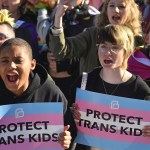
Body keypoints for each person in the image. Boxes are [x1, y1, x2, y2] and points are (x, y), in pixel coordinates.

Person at [71, 24, 150, 150]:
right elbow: (67, 123)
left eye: (115, 48)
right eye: (103, 47)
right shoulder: (85, 81)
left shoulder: (140, 90)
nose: (107, 53)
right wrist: (73, 114)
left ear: (127, 52)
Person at [0, 37, 72, 149]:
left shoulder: (50, 93)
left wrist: (67, 141)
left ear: (32, 65)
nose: (11, 66)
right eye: (5, 61)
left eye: (18, 61)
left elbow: (70, 132)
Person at [47, 0, 144, 74]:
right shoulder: (93, 34)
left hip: (122, 97)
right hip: (92, 95)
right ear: (106, 10)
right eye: (111, 6)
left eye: (121, 6)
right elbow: (60, 51)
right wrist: (58, 19)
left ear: (131, 11)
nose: (116, 10)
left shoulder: (138, 41)